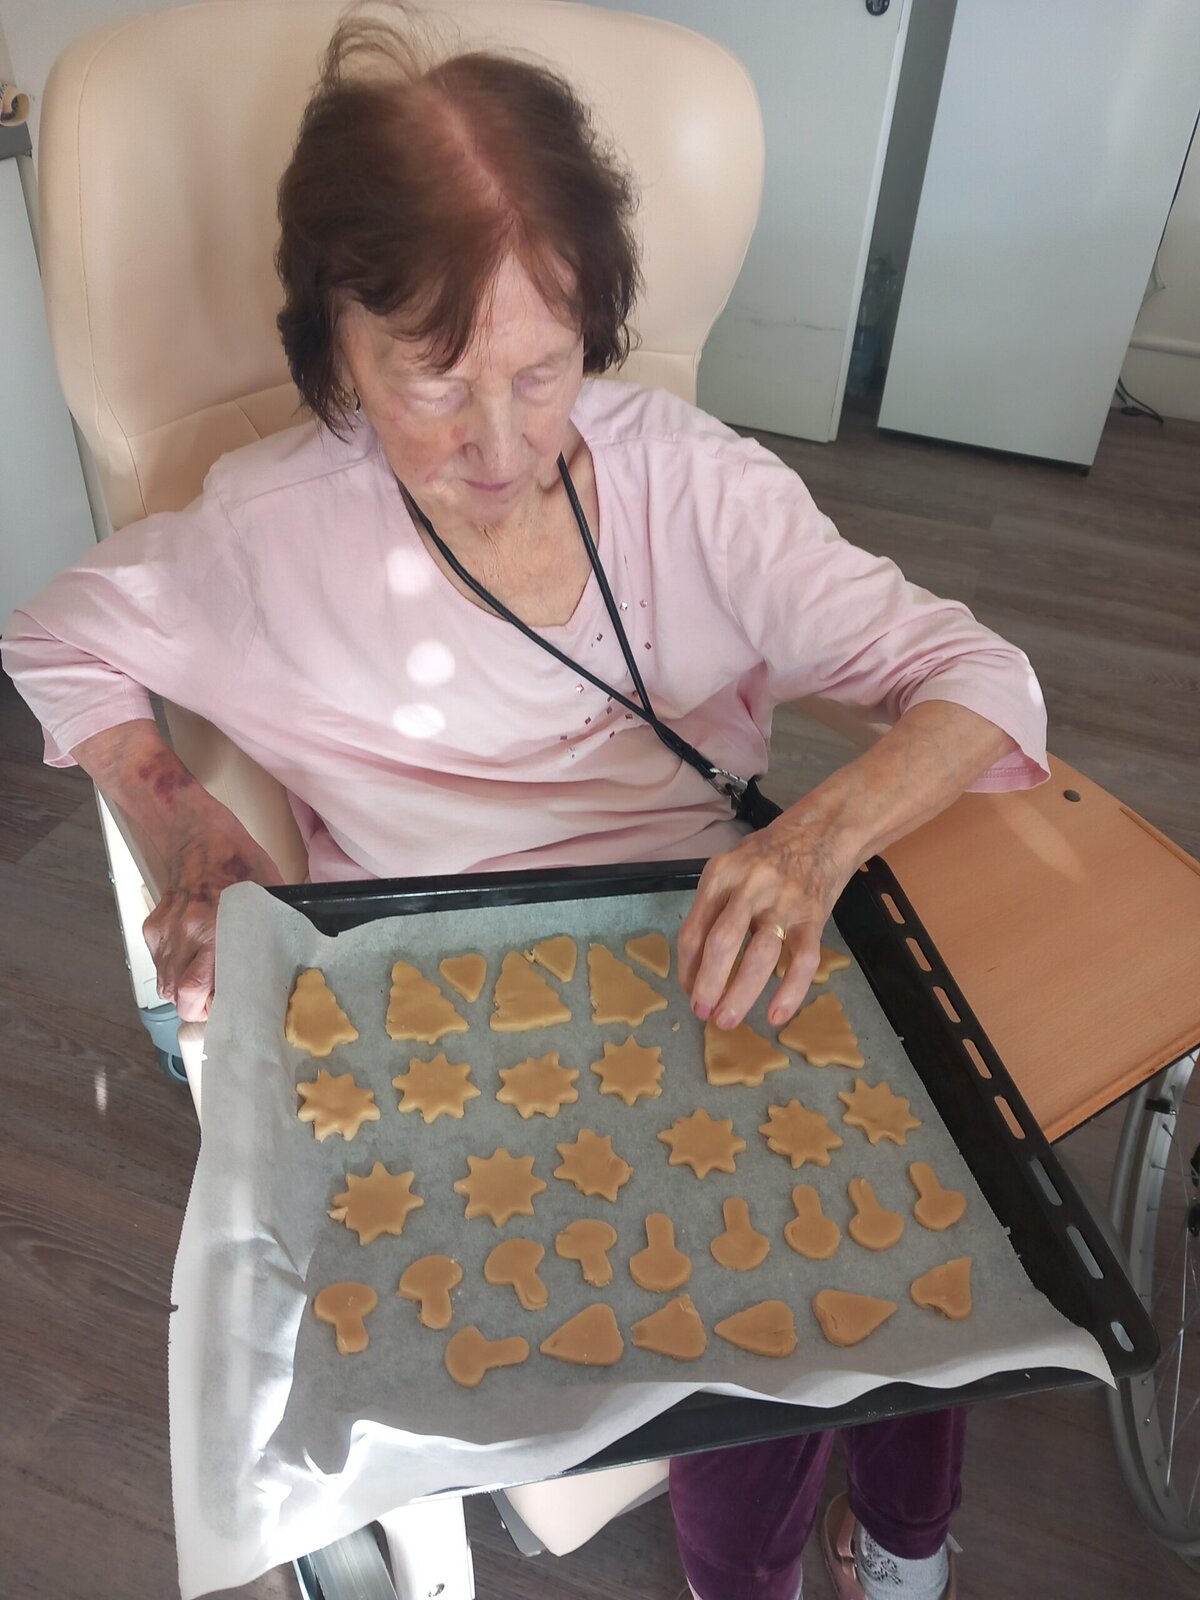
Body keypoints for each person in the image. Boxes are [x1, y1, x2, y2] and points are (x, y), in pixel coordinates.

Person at [3, 12, 1046, 1599]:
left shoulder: (692, 484)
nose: (498, 446)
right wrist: (176, 821)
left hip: (700, 943)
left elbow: (982, 679)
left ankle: (906, 1542)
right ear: (335, 346)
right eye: (432, 380)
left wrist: (811, 840)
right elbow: (55, 641)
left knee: (924, 1208)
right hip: (439, 1002)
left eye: (543, 371)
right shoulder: (269, 538)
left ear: (594, 328)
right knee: (747, 1325)